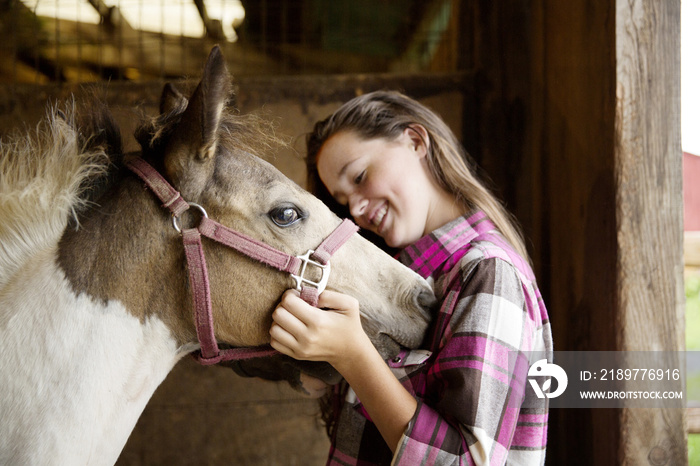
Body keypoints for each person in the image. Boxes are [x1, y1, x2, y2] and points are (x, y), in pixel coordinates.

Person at [269, 90, 553, 465]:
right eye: (342, 201)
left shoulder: (487, 271)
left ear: (416, 141)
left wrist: (354, 356)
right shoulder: (403, 275)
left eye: (360, 176)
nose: (355, 208)